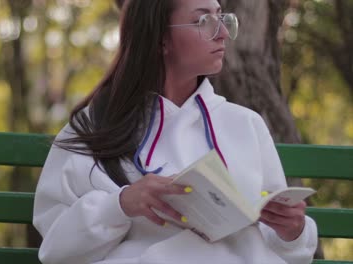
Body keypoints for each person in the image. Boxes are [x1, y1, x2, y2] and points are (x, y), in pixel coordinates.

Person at [32, 0, 318, 263]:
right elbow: (56, 248)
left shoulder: (246, 124)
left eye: (222, 17)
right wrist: (120, 204)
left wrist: (292, 232)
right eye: (204, 21)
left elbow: (281, 245)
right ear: (160, 39)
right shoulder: (96, 125)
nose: (222, 33)